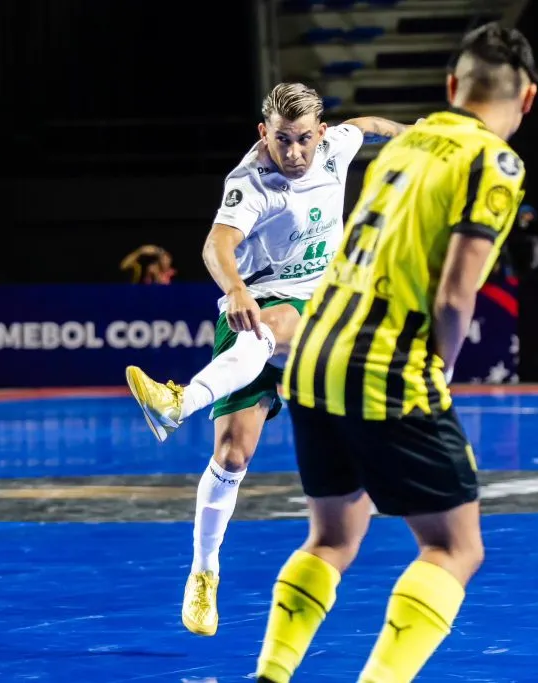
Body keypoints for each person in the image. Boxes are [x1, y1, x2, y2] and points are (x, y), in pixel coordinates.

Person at [253, 23, 538, 683]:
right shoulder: (494, 161)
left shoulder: (405, 143)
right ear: (525, 101)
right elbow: (454, 294)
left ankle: (270, 673)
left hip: (313, 351)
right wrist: (435, 372)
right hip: (383, 362)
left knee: (332, 537)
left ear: (450, 86)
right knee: (454, 546)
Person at [124, 82, 408, 636]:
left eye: (303, 140)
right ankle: (203, 574)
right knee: (231, 456)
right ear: (264, 134)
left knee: (283, 329)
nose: (295, 153)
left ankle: (179, 402)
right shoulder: (250, 181)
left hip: (316, 304)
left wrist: (422, 139)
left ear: (321, 134)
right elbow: (215, 245)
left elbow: (371, 126)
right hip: (253, 300)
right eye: (282, 141)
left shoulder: (336, 146)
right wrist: (235, 290)